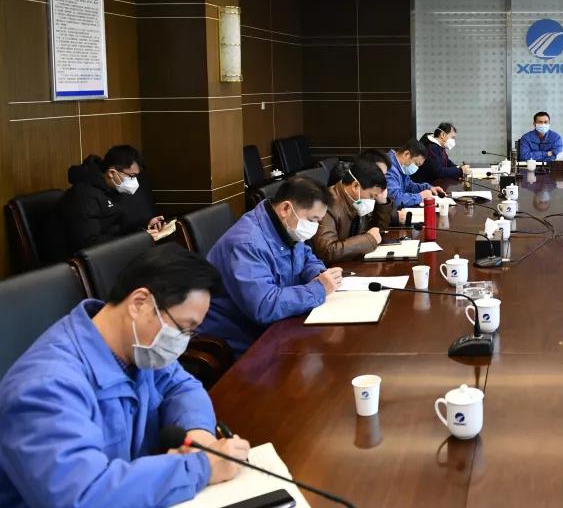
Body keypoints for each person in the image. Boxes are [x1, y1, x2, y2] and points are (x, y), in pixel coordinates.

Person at [0, 244, 251, 507]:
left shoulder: (137, 347)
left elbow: (182, 387)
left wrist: (198, 433)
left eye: (191, 333)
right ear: (139, 303)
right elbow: (83, 497)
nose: (183, 342)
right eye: (182, 328)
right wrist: (200, 467)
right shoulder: (45, 387)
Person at [200, 176, 343, 354]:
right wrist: (318, 289)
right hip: (240, 339)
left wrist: (318, 274)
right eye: (312, 220)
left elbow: (306, 256)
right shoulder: (246, 244)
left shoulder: (286, 226)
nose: (314, 227)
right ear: (285, 209)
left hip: (278, 325)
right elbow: (264, 306)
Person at [44, 145, 167, 262]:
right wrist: (139, 239)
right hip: (79, 263)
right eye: (131, 176)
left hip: (106, 255)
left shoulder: (111, 189)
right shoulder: (83, 196)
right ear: (111, 173)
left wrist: (145, 228)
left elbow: (116, 229)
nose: (135, 182)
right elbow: (89, 244)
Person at [312, 160, 390, 263]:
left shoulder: (356, 200)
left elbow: (377, 232)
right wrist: (369, 239)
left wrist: (383, 203)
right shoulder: (328, 203)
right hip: (332, 268)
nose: (372, 201)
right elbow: (328, 250)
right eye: (371, 196)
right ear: (355, 186)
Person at [386, 138, 446, 209]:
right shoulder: (388, 167)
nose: (416, 168)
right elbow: (394, 199)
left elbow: (409, 186)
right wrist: (420, 197)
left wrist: (429, 187)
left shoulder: (401, 166)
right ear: (407, 154)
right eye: (416, 164)